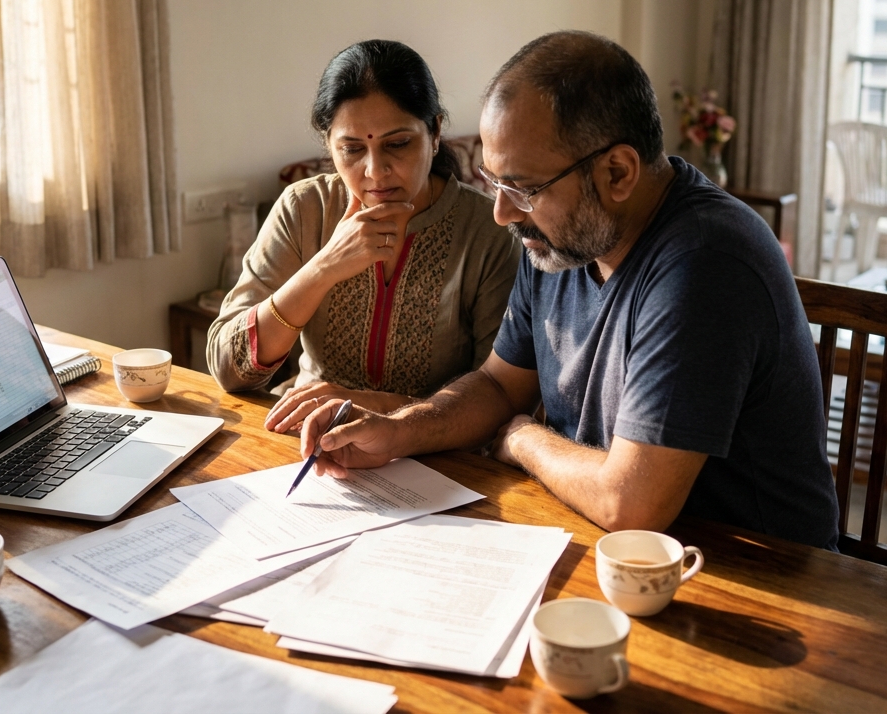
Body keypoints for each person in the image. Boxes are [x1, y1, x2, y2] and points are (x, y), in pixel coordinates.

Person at [300, 31, 840, 551]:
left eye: (524, 188)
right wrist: (399, 431)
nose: (503, 213)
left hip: (753, 576)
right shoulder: (559, 239)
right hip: (602, 545)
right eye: (495, 182)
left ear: (618, 172)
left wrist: (520, 438)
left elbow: (630, 504)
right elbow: (497, 387)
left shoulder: (705, 263)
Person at [207, 40, 520, 434]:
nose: (375, 171)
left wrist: (371, 406)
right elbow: (226, 366)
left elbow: (499, 398)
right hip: (307, 437)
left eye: (398, 144)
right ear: (328, 145)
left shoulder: (486, 232)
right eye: (352, 149)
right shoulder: (305, 210)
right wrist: (322, 268)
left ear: (435, 132)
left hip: (432, 454)